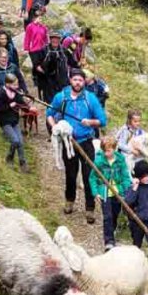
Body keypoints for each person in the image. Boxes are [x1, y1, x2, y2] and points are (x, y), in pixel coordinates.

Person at [46, 67, 107, 220]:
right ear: (70, 80)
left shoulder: (90, 98)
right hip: (68, 142)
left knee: (88, 176)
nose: (78, 82)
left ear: (84, 82)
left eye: (80, 80)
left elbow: (103, 120)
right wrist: (54, 126)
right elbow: (49, 114)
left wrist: (90, 122)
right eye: (75, 79)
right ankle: (69, 201)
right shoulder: (62, 97)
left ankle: (90, 208)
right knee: (71, 174)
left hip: (86, 142)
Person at [89, 135, 132, 251]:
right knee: (107, 216)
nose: (106, 153)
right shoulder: (99, 161)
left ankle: (111, 230)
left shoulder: (120, 160)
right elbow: (92, 178)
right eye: (104, 151)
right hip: (105, 193)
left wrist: (125, 189)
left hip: (117, 193)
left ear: (114, 148)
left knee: (114, 215)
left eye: (108, 151)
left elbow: (125, 176)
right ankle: (109, 241)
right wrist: (96, 193)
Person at [0, 73, 30, 172]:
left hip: (14, 121)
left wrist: (29, 108)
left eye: (17, 84)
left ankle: (23, 162)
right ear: (7, 84)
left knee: (21, 142)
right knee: (15, 140)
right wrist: (10, 105)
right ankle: (9, 157)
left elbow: (22, 105)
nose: (17, 87)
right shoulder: (1, 93)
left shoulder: (17, 93)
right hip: (5, 121)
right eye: (14, 85)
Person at [23, 9, 48, 98]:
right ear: (35, 18)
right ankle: (35, 78)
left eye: (41, 18)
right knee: (35, 63)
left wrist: (46, 47)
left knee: (41, 64)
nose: (40, 19)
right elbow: (27, 37)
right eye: (39, 18)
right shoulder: (30, 26)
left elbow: (46, 39)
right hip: (33, 49)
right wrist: (26, 47)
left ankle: (40, 80)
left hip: (42, 49)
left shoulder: (44, 28)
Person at [40, 29, 69, 105]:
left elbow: (72, 62)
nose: (55, 40)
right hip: (49, 83)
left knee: (63, 104)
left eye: (57, 38)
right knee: (51, 104)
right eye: (53, 38)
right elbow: (38, 65)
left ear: (59, 40)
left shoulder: (64, 50)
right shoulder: (44, 50)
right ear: (50, 39)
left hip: (62, 82)